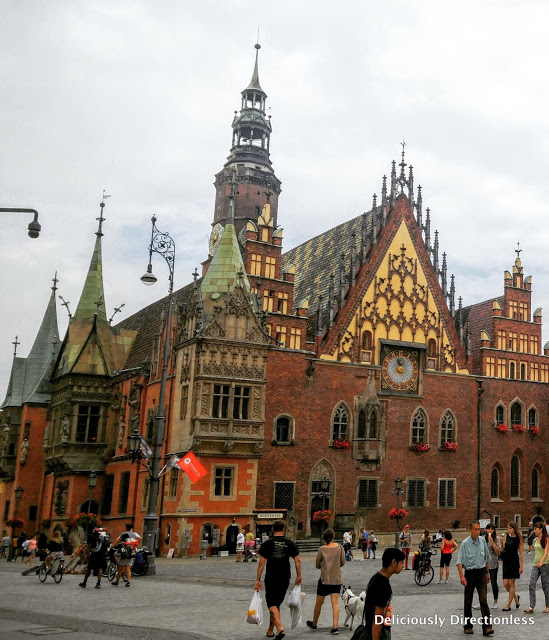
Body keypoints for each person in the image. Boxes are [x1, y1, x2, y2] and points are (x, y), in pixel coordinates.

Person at [255, 519, 302, 640]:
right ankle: (271, 630)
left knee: (271, 604)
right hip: (285, 576)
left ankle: (279, 627)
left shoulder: (267, 543)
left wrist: (258, 580)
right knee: (277, 603)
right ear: (283, 529)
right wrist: (299, 576)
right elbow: (297, 560)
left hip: (271, 576)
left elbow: (261, 563)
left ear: (272, 529)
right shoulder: (289, 543)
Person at [456, 520, 493, 636]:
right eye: (475, 529)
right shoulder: (465, 543)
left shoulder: (482, 541)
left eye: (479, 529)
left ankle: (487, 627)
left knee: (483, 600)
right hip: (470, 574)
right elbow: (460, 561)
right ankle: (468, 626)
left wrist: (487, 573)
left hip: (481, 573)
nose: (478, 532)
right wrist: (461, 576)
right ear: (470, 530)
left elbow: (486, 558)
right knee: (468, 601)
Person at [306, 528, 345, 635]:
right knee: (335, 603)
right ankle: (335, 627)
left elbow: (317, 564)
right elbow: (342, 562)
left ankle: (314, 623)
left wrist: (324, 566)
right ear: (333, 537)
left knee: (319, 603)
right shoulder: (340, 547)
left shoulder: (321, 549)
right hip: (336, 579)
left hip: (324, 579)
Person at [362, 547, 405, 640]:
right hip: (378, 632)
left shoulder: (376, 578)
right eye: (402, 562)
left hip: (371, 628)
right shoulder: (383, 585)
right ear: (394, 562)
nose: (403, 566)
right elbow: (378, 617)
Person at [523, 521, 549, 614]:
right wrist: (530, 543)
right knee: (531, 584)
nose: (534, 531)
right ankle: (531, 606)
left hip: (545, 564)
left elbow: (546, 552)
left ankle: (548, 606)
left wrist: (541, 562)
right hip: (535, 564)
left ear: (541, 529)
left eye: (535, 529)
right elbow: (536, 548)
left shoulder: (546, 539)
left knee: (545, 585)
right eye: (534, 529)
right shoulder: (535, 539)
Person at [500, 521, 524, 611]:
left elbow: (521, 554)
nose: (508, 529)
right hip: (506, 561)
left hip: (514, 561)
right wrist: (502, 543)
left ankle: (508, 605)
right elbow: (503, 549)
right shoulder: (506, 537)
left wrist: (521, 566)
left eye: (510, 528)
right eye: (508, 528)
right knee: (505, 584)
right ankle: (516, 599)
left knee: (511, 583)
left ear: (514, 529)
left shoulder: (518, 539)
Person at [111, 523, 140, 587]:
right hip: (131, 553)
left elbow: (117, 540)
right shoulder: (135, 534)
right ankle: (128, 582)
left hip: (124, 554)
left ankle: (117, 581)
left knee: (120, 569)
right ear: (131, 529)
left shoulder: (123, 534)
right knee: (128, 568)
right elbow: (139, 538)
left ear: (126, 528)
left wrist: (112, 546)